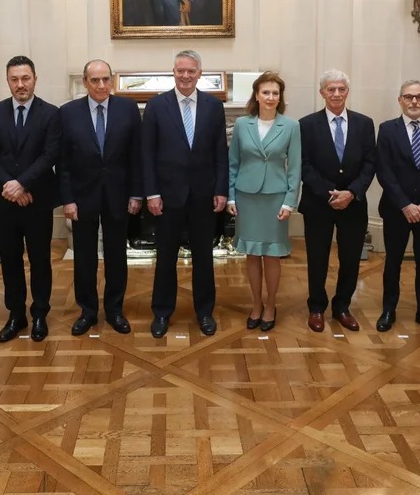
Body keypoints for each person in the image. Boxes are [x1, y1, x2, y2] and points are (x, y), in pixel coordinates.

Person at [142, 49, 227, 338]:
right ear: (173, 72)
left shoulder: (214, 107)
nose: (186, 76)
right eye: (181, 71)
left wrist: (221, 190)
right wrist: (151, 193)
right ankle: (162, 313)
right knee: (165, 257)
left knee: (204, 257)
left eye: (191, 71)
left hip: (203, 196)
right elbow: (147, 154)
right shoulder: (156, 106)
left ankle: (204, 312)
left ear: (200, 73)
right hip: (167, 197)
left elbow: (220, 154)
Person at [0, 55, 61, 343]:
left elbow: (50, 154)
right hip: (3, 201)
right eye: (14, 79)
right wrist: (11, 186)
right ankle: (16, 314)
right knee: (10, 261)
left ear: (35, 79)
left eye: (25, 78)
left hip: (38, 201)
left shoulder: (51, 114)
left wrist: (23, 184)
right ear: (8, 81)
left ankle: (39, 313)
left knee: (40, 261)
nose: (20, 84)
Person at [59, 59, 143, 336]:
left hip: (119, 195)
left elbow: (136, 157)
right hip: (82, 198)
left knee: (116, 254)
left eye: (106, 79)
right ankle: (88, 311)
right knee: (84, 257)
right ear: (85, 82)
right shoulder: (68, 113)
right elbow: (64, 162)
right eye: (95, 80)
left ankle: (115, 310)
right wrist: (68, 199)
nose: (101, 85)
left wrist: (136, 194)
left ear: (112, 80)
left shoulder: (128, 109)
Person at [298, 70, 376, 333]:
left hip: (353, 204)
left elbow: (369, 163)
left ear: (347, 92)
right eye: (330, 89)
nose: (336, 94)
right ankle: (317, 307)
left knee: (351, 258)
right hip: (319, 204)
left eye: (341, 89)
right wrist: (329, 193)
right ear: (322, 93)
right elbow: (303, 165)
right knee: (317, 258)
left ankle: (342, 306)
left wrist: (351, 193)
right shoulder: (306, 124)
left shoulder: (365, 124)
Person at [374, 80, 420, 336]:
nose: (414, 101)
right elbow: (383, 171)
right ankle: (388, 310)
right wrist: (405, 204)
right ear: (400, 100)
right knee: (392, 262)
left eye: (419, 97)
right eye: (408, 97)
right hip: (397, 210)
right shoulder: (387, 129)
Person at [227, 72, 301, 332]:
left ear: (280, 98)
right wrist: (231, 196)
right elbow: (233, 162)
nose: (270, 97)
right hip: (246, 196)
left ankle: (271, 306)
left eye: (275, 93)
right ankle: (256, 304)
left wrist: (289, 202)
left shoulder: (291, 127)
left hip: (275, 199)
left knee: (271, 255)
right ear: (256, 95)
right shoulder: (242, 125)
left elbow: (295, 168)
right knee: (252, 254)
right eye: (266, 92)